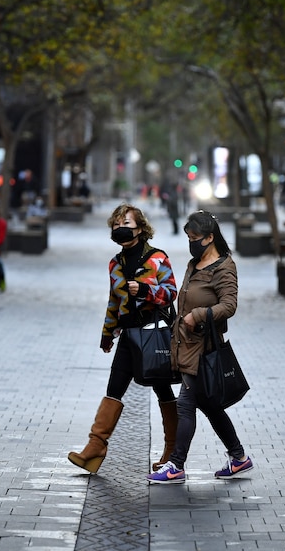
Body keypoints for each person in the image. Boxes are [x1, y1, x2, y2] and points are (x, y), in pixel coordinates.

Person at [68, 203, 179, 474]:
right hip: (128, 336)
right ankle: (95, 447)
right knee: (114, 388)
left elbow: (171, 291)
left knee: (162, 389)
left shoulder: (157, 258)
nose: (120, 229)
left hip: (153, 334)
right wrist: (108, 334)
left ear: (140, 228)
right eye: (116, 225)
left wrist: (144, 289)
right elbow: (113, 301)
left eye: (126, 224)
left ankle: (172, 451)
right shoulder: (115, 263)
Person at [148, 210, 252, 484]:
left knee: (185, 404)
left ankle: (176, 465)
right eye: (188, 238)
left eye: (195, 238)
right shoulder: (194, 264)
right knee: (210, 406)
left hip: (204, 346)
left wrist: (200, 315)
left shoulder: (223, 266)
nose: (191, 243)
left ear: (209, 237)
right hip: (186, 343)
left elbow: (229, 306)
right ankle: (239, 458)